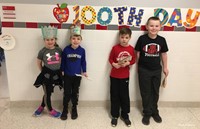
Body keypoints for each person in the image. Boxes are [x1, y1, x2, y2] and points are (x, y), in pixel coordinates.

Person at [135, 16, 169, 125]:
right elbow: (138, 53)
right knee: (145, 92)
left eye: (156, 26)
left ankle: (155, 111)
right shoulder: (142, 39)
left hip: (156, 70)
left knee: (155, 92)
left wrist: (165, 67)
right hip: (143, 70)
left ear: (160, 27)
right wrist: (137, 67)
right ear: (147, 27)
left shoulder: (162, 40)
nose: (154, 28)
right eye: (151, 26)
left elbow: (164, 54)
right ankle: (147, 113)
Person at [33, 26, 62, 118]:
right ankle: (50, 110)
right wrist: (42, 71)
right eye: (47, 40)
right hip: (46, 75)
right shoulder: (42, 51)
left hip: (56, 75)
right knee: (47, 93)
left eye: (52, 39)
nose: (50, 41)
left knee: (48, 92)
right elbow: (38, 62)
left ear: (55, 39)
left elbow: (61, 60)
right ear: (44, 40)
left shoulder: (59, 50)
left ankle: (41, 106)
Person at [60, 21, 87, 120]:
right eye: (74, 38)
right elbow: (62, 61)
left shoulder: (82, 51)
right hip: (67, 75)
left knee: (75, 93)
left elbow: (83, 62)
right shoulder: (66, 50)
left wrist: (84, 71)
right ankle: (65, 108)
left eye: (78, 39)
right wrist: (62, 70)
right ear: (70, 39)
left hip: (77, 76)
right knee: (67, 93)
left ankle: (74, 108)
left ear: (81, 39)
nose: (76, 41)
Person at [109, 27, 136, 127]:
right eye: (122, 37)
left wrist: (129, 62)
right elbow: (110, 59)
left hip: (125, 76)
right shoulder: (115, 48)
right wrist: (114, 64)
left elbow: (133, 60)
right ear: (119, 37)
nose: (124, 39)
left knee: (124, 96)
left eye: (126, 37)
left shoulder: (131, 49)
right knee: (114, 95)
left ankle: (125, 115)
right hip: (114, 76)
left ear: (130, 38)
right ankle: (115, 115)